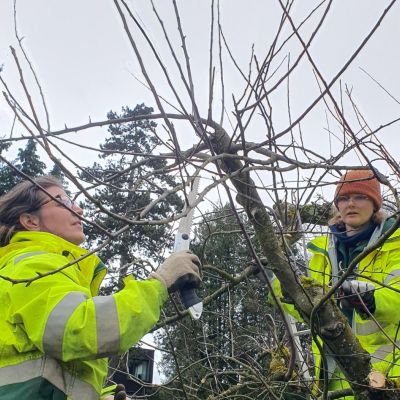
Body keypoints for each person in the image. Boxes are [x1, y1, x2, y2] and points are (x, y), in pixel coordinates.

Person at [0, 176, 202, 400]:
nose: (79, 209)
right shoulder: (31, 266)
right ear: (30, 221)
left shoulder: (48, 270)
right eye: (62, 202)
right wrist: (160, 283)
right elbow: (80, 328)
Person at [273, 169, 400, 398]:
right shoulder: (323, 251)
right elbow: (303, 307)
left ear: (374, 204)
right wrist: (275, 276)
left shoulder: (395, 243)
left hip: (386, 378)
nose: (350, 204)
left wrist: (372, 301)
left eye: (360, 197)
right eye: (343, 198)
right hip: (332, 382)